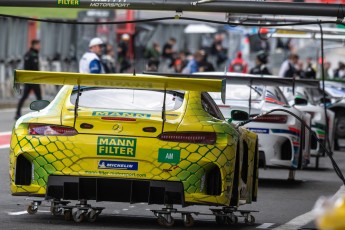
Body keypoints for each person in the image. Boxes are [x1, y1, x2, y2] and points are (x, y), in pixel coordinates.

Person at [15, 39, 42, 120]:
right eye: (38, 45)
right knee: (38, 97)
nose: (39, 46)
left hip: (34, 79)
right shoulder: (29, 55)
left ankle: (18, 113)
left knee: (35, 97)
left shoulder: (34, 54)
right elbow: (28, 68)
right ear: (34, 45)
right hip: (31, 80)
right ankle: (18, 113)